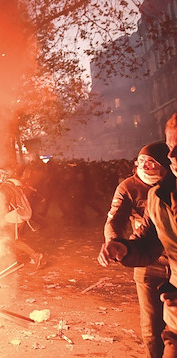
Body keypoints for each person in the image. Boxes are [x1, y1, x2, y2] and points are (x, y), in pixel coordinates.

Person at [99, 113, 177, 358]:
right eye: (141, 161)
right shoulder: (155, 195)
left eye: (151, 161)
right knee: (153, 329)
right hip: (152, 266)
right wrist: (120, 246)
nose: (144, 166)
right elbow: (145, 236)